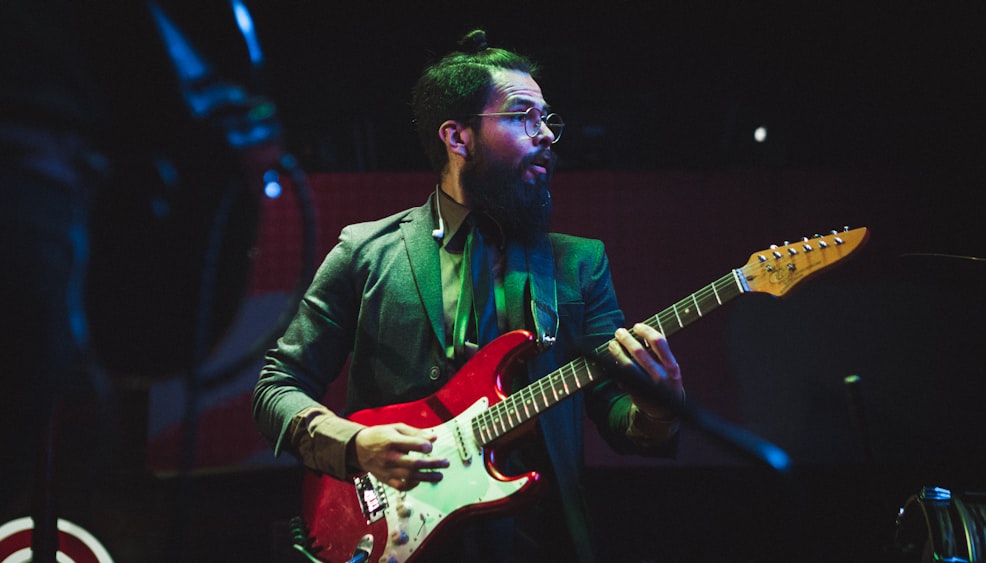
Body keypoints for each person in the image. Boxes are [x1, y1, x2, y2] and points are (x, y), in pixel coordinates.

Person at [252, 29, 685, 562]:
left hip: (539, 545)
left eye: (548, 118)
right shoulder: (366, 252)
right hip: (395, 537)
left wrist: (657, 407)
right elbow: (276, 387)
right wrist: (353, 444)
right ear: (458, 139)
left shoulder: (579, 263)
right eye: (524, 115)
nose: (546, 134)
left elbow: (617, 414)